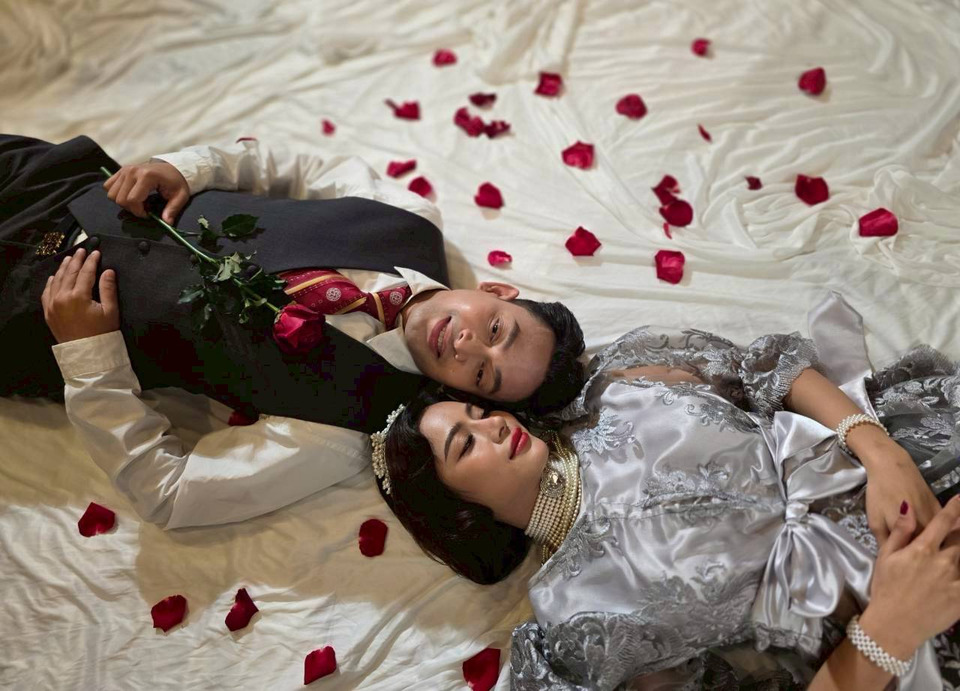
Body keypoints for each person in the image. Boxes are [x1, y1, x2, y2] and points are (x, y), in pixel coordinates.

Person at [375, 290, 960, 689]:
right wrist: (891, 626)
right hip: (905, 634)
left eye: (480, 411)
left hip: (919, 463)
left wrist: (883, 455)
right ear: (461, 515)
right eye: (465, 444)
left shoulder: (618, 387)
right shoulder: (572, 620)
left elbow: (766, 369)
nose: (494, 426)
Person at [0, 134, 584, 529]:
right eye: (497, 329)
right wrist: (189, 167)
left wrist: (89, 353)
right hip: (62, 180)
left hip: (23, 307)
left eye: (481, 374)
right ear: (498, 290)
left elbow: (170, 495)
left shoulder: (341, 423)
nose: (467, 346)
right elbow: (292, 168)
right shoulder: (411, 221)